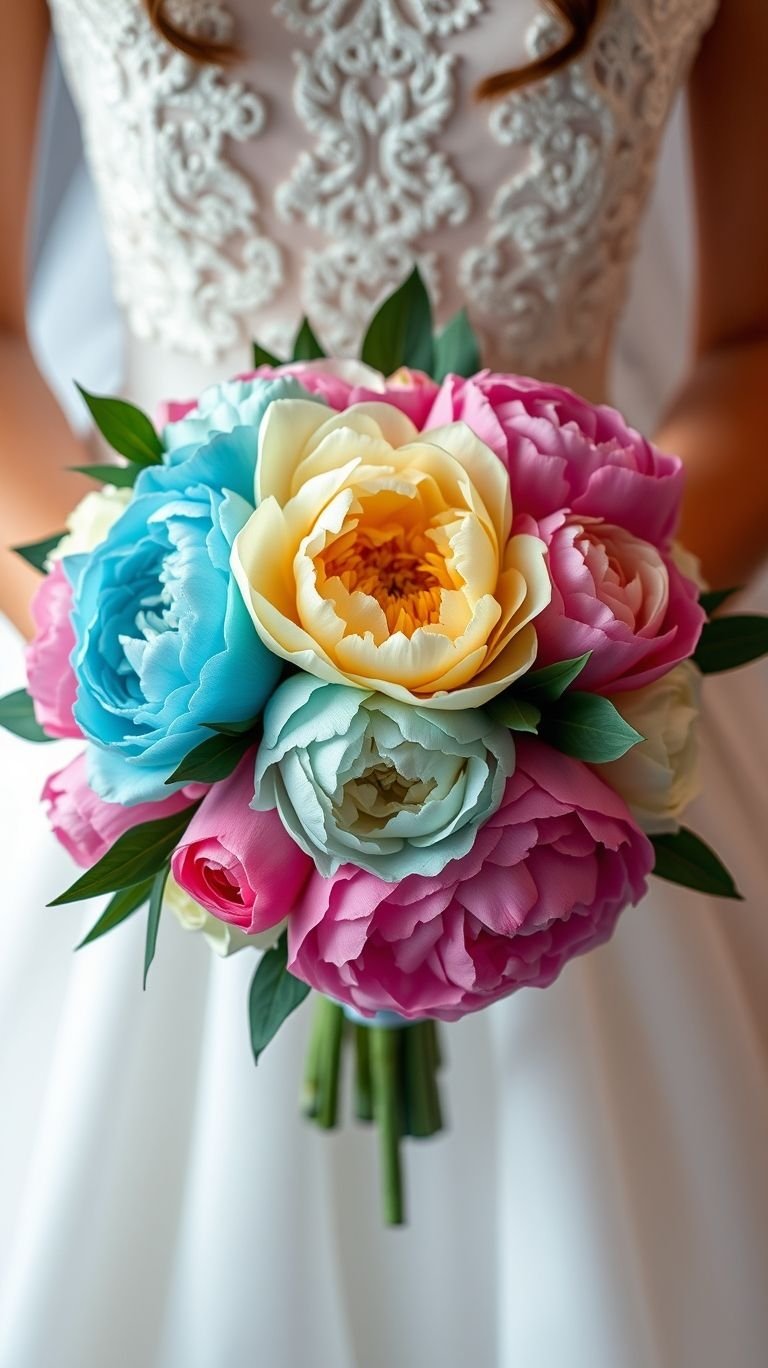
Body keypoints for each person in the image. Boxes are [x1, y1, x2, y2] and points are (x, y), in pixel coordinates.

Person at [0, 2, 767, 1364]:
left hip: (559, 736)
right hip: (146, 692)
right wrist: (172, 673)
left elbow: (753, 342)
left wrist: (564, 649)